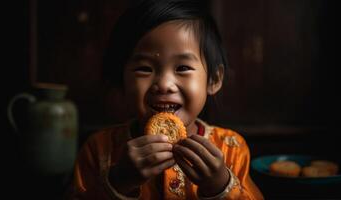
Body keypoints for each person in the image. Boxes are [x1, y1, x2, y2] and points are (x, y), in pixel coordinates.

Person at [66, 0, 264, 199]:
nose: (164, 84)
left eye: (183, 68)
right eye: (145, 68)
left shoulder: (231, 148)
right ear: (121, 78)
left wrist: (220, 186)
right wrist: (119, 181)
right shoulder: (99, 149)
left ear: (213, 79)